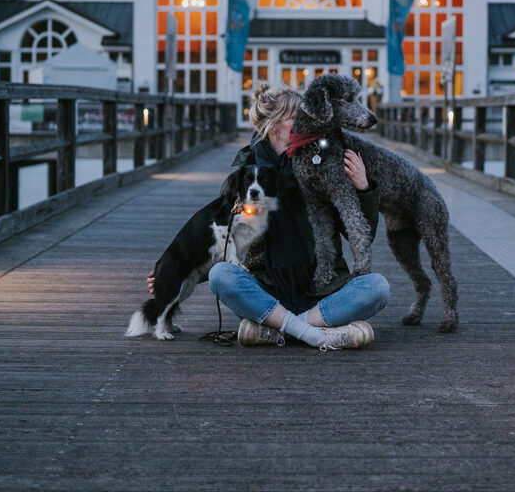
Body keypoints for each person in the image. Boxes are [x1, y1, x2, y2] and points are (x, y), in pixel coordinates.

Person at [152, 83, 389, 350]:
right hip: (267, 290)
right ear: (274, 125)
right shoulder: (245, 176)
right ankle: (315, 331)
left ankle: (278, 330)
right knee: (221, 275)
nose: (305, 123)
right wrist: (172, 270)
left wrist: (363, 187)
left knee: (378, 287)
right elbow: (220, 238)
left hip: (323, 290)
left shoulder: (323, 162)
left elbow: (361, 232)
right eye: (296, 117)